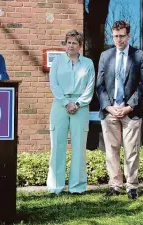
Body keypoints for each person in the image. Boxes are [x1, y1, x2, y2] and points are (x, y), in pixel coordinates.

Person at [96, 21, 143, 200]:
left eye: (121, 36)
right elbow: (100, 85)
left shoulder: (139, 56)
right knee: (111, 150)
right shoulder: (105, 56)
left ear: (128, 36)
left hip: (131, 112)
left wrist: (128, 107)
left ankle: (132, 186)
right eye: (115, 36)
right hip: (110, 111)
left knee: (131, 150)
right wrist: (109, 107)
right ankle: (115, 185)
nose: (118, 40)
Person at [46, 30, 95, 194]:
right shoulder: (58, 62)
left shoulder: (88, 63)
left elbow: (90, 87)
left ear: (80, 46)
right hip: (60, 105)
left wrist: (78, 103)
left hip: (80, 107)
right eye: (68, 42)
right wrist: (67, 103)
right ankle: (55, 186)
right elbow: (54, 85)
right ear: (65, 44)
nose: (71, 46)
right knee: (57, 146)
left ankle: (77, 187)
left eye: (74, 43)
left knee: (79, 147)